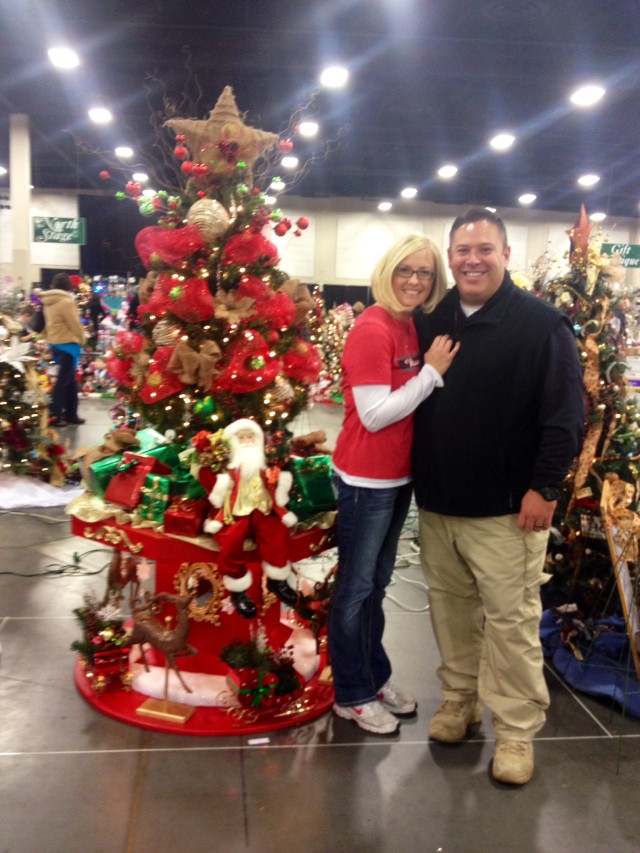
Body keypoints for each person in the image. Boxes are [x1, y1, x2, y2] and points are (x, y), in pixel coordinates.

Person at [411, 208, 585, 784]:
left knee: (510, 623)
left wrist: (544, 487)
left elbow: (564, 418)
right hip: (438, 504)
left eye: (484, 249)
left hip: (509, 510)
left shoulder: (541, 325)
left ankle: (515, 732)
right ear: (451, 256)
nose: (472, 260)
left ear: (505, 254)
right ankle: (460, 701)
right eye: (462, 250)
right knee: (451, 611)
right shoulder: (431, 319)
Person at [329, 233, 459, 735]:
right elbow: (375, 414)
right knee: (356, 589)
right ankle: (352, 693)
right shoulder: (372, 329)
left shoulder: (407, 326)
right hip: (366, 479)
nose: (414, 280)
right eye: (406, 270)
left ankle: (373, 676)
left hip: (396, 476)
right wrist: (430, 374)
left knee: (376, 586)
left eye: (424, 273)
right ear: (388, 271)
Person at [203, 418, 299, 619]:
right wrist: (220, 484)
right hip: (235, 513)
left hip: (262, 510)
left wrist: (281, 482)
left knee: (277, 534)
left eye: (251, 437)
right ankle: (238, 590)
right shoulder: (228, 468)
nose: (247, 441)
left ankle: (277, 580)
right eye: (242, 438)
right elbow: (209, 482)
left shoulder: (265, 465)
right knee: (230, 542)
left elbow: (278, 482)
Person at [41, 272, 86, 427]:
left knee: (70, 381)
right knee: (63, 381)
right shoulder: (66, 301)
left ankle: (71, 414)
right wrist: (83, 338)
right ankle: (55, 415)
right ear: (68, 286)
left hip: (55, 344)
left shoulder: (48, 301)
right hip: (68, 344)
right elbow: (74, 323)